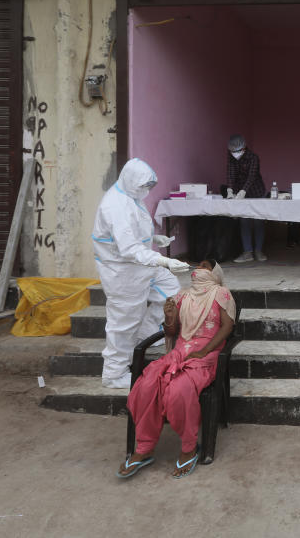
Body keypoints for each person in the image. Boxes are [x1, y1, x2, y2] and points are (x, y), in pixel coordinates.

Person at [118, 260, 235, 479]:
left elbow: (228, 327)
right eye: (197, 264)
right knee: (146, 386)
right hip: (179, 353)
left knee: (178, 391)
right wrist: (169, 317)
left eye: (205, 266)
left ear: (215, 273)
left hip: (206, 355)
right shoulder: (182, 296)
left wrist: (204, 351)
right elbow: (172, 331)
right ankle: (144, 448)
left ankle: (189, 447)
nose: (198, 268)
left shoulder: (222, 293)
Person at [92, 158, 188, 389]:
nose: (146, 191)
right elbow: (128, 248)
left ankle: (144, 336)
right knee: (123, 321)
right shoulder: (116, 206)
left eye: (149, 187)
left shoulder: (131, 196)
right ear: (130, 180)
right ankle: (114, 374)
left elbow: (133, 234)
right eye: (143, 186)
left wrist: (154, 239)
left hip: (142, 263)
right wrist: (163, 260)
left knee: (171, 292)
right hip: (123, 271)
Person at [226, 134, 267, 263]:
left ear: (243, 148)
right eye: (232, 151)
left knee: (258, 220)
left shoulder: (253, 157)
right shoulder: (231, 157)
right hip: (239, 193)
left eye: (237, 151)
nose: (234, 154)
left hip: (256, 191)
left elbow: (252, 176)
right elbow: (230, 174)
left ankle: (259, 251)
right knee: (244, 221)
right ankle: (247, 252)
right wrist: (230, 189)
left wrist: (244, 191)